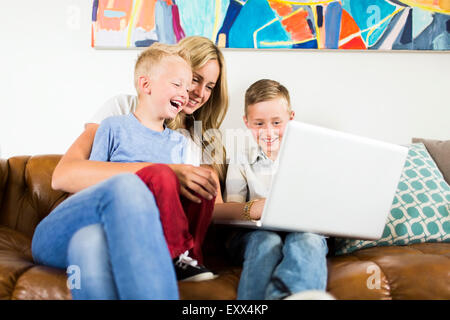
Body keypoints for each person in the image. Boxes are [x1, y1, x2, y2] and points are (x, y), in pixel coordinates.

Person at [32, 36, 229, 300]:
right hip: (86, 213)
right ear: (147, 84)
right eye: (191, 80)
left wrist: (256, 209)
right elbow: (67, 176)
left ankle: (182, 256)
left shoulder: (187, 141)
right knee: (128, 185)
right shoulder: (118, 115)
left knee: (90, 244)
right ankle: (173, 252)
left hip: (120, 235)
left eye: (210, 86)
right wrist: (163, 172)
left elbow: (211, 205)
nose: (196, 92)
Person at [223, 79, 332, 300]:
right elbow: (231, 210)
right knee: (267, 241)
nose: (268, 132)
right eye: (259, 123)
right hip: (254, 234)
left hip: (302, 229)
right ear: (246, 122)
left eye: (276, 122)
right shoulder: (240, 160)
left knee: (308, 239)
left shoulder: (309, 157)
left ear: (290, 119)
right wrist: (254, 208)